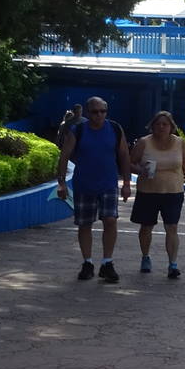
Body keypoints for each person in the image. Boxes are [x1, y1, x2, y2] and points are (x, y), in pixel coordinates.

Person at [55, 97, 131, 282]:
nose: (99, 115)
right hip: (84, 184)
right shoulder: (78, 130)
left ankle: (107, 262)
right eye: (95, 112)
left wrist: (127, 184)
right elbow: (64, 156)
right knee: (85, 224)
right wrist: (62, 183)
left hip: (108, 184)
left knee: (110, 220)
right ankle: (87, 262)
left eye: (103, 111)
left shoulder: (114, 128)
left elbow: (124, 155)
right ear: (88, 113)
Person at [131, 110, 185, 278]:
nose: (161, 127)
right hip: (148, 191)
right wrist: (140, 170)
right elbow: (130, 163)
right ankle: (145, 257)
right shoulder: (143, 142)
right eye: (158, 124)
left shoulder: (179, 143)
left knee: (172, 227)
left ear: (171, 127)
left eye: (165, 124)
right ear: (152, 126)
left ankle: (172, 264)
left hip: (173, 191)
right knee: (146, 227)